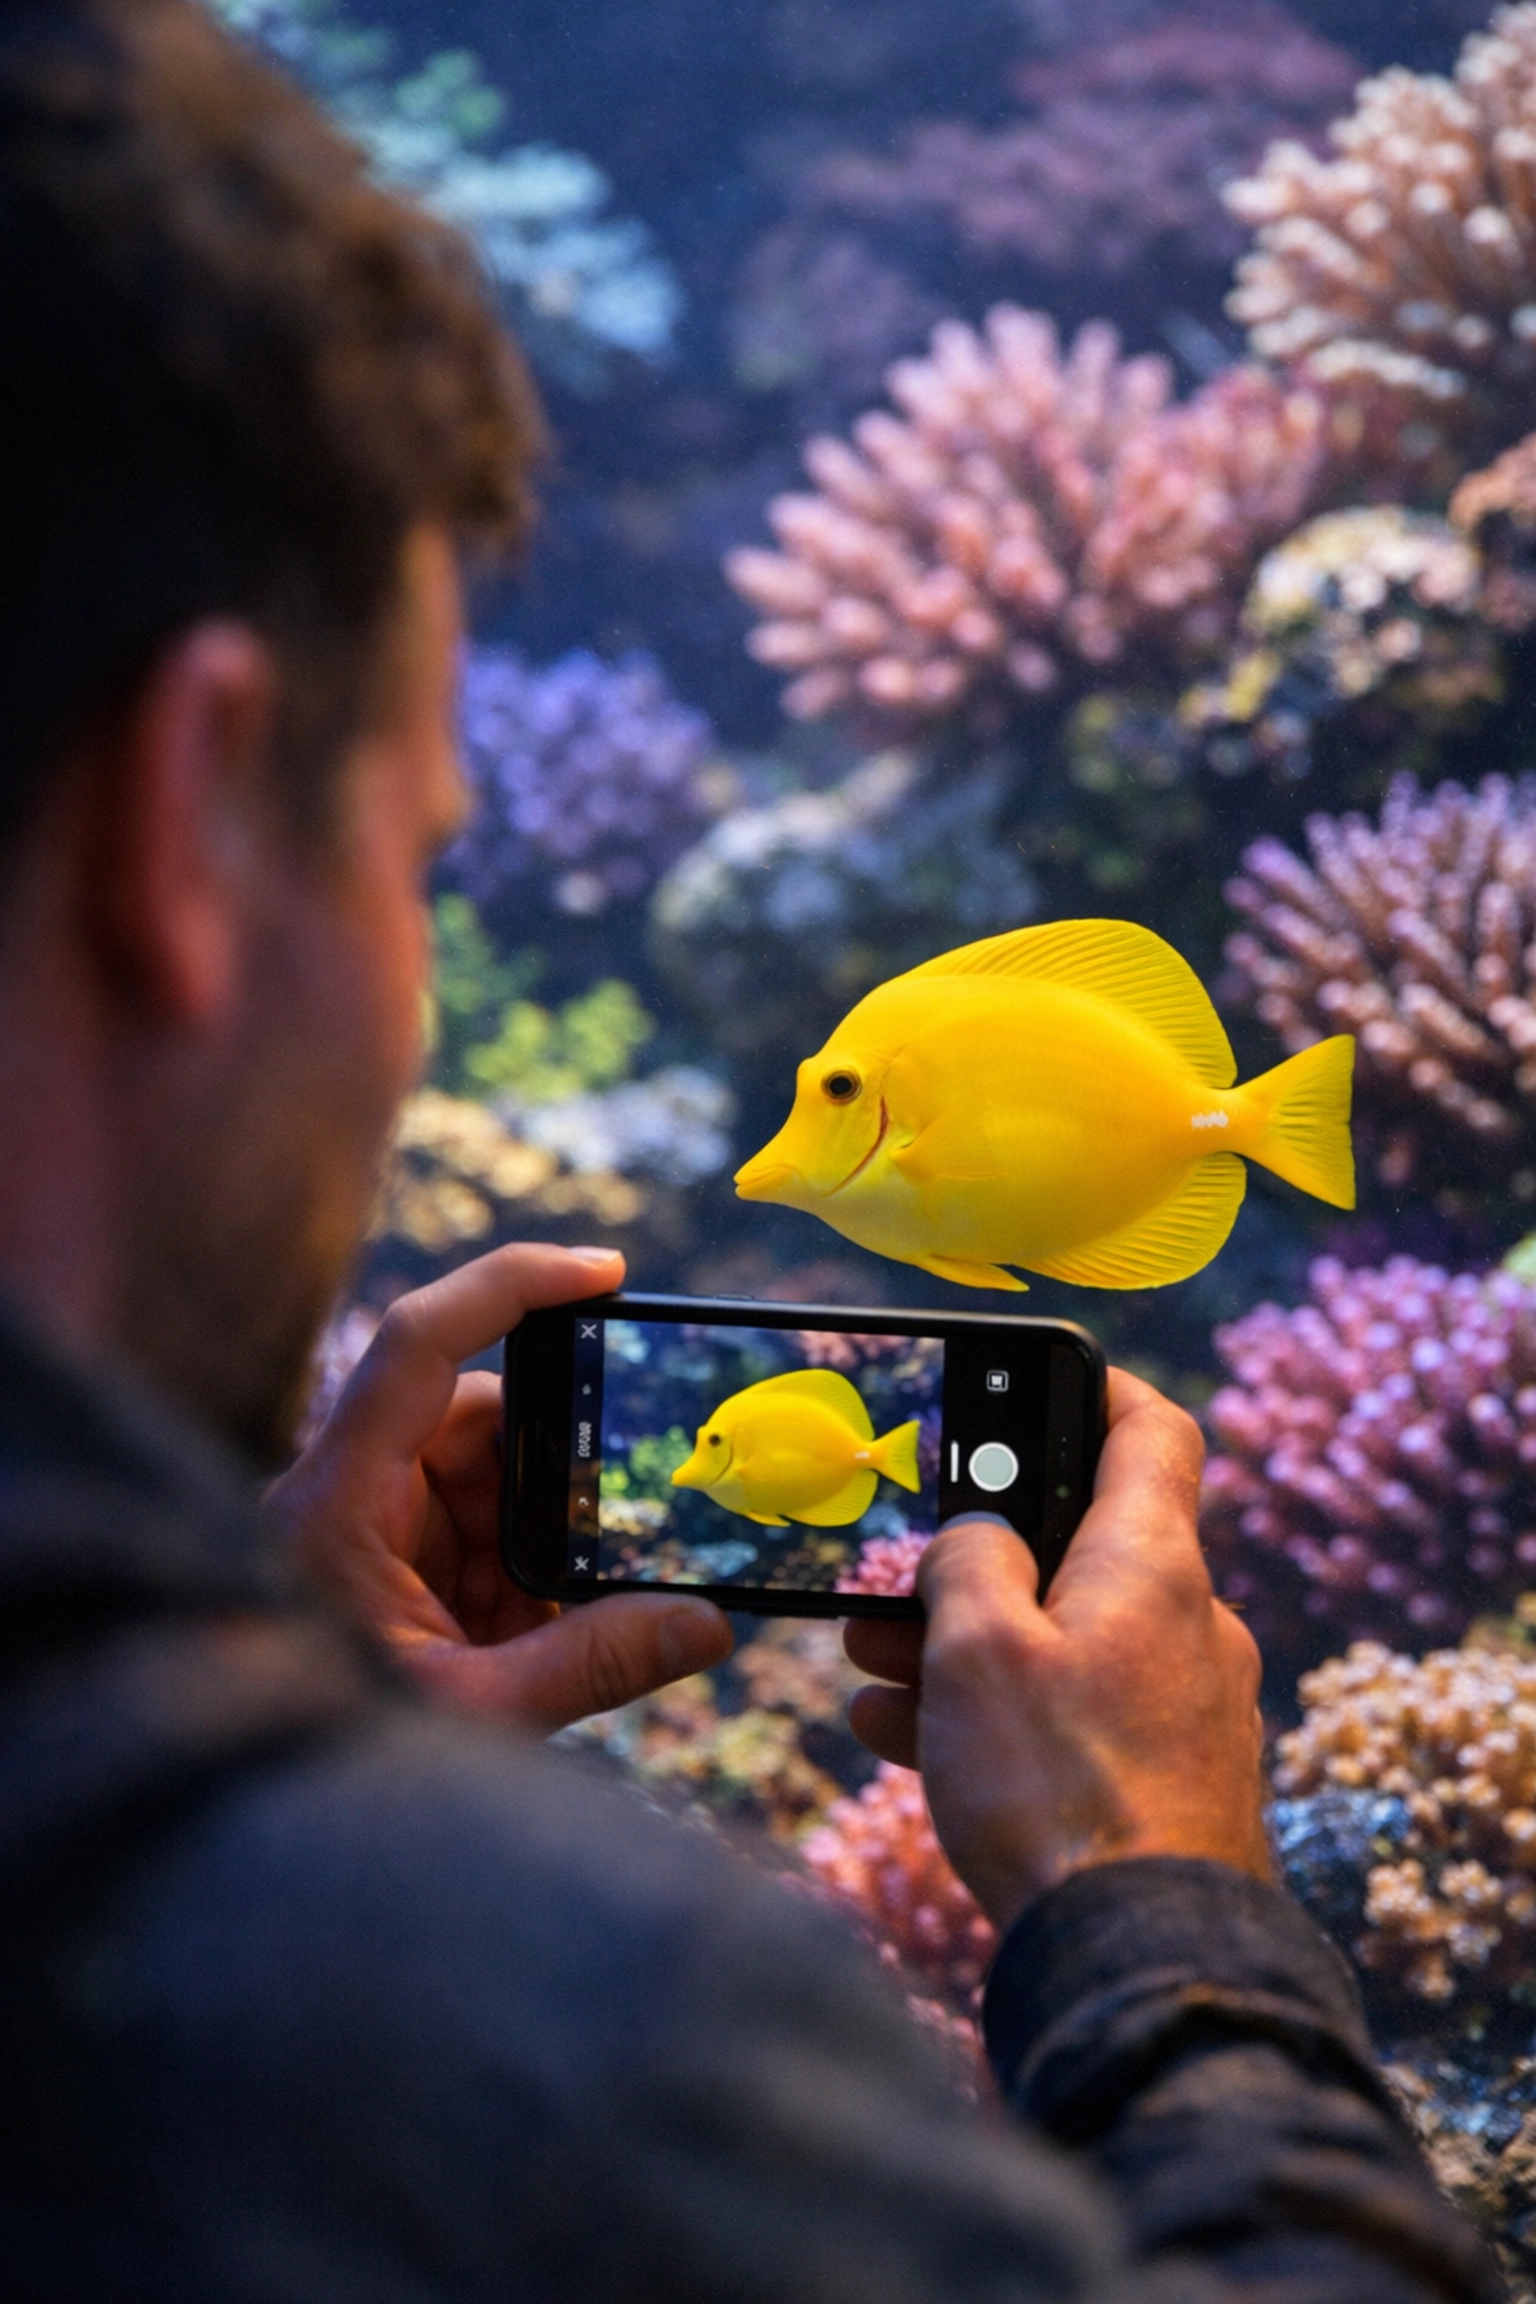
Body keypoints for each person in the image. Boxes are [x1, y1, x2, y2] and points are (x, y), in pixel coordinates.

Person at [0, 1, 1502, 2297]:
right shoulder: (555, 2042)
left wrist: (249, 1700)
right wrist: (1165, 1908)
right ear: (191, 817)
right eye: (417, 853)